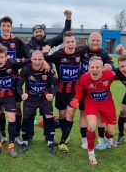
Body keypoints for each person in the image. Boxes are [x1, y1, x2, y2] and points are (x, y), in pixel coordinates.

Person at [22, 10, 72, 141]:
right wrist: (43, 58)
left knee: (47, 109)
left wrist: (68, 20)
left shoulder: (49, 42)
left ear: (44, 33)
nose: (38, 33)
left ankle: (48, 136)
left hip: (47, 81)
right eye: (36, 31)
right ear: (33, 34)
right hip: (32, 81)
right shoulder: (28, 45)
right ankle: (29, 135)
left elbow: (63, 35)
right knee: (30, 111)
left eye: (40, 31)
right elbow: (31, 56)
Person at [70, 56, 117, 165]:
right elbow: (79, 91)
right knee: (91, 126)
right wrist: (76, 99)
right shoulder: (83, 78)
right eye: (92, 67)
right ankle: (91, 152)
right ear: (88, 68)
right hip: (91, 102)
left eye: (97, 67)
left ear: (102, 68)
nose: (94, 70)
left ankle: (107, 137)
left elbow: (122, 76)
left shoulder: (109, 75)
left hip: (107, 103)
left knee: (111, 132)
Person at [0, 16, 25, 144]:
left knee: (17, 108)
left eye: (8, 26)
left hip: (14, 82)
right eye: (3, 26)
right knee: (0, 109)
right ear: (0, 27)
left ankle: (16, 135)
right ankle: (2, 134)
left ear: (11, 28)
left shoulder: (17, 41)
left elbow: (28, 53)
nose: (6, 28)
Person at [45, 31, 84, 152]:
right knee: (62, 114)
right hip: (61, 91)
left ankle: (63, 140)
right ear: (64, 43)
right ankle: (64, 132)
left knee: (70, 113)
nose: (70, 44)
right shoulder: (58, 54)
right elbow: (44, 57)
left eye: (72, 41)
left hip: (74, 90)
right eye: (68, 42)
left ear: (75, 42)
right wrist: (46, 56)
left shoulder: (80, 52)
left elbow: (95, 50)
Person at [78, 32, 115, 150]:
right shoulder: (82, 49)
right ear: (89, 40)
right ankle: (84, 139)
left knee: (99, 114)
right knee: (83, 113)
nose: (95, 42)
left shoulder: (103, 53)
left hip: (97, 86)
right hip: (83, 85)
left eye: (97, 40)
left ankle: (101, 139)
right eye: (93, 40)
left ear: (101, 42)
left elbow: (111, 65)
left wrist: (110, 66)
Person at [16, 50, 58, 154]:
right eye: (35, 59)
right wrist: (22, 94)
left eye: (40, 59)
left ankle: (50, 141)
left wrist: (52, 94)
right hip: (30, 99)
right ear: (31, 59)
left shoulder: (48, 68)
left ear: (43, 60)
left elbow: (55, 84)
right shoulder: (26, 69)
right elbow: (18, 85)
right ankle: (25, 140)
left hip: (44, 98)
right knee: (26, 118)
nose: (37, 62)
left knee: (49, 117)